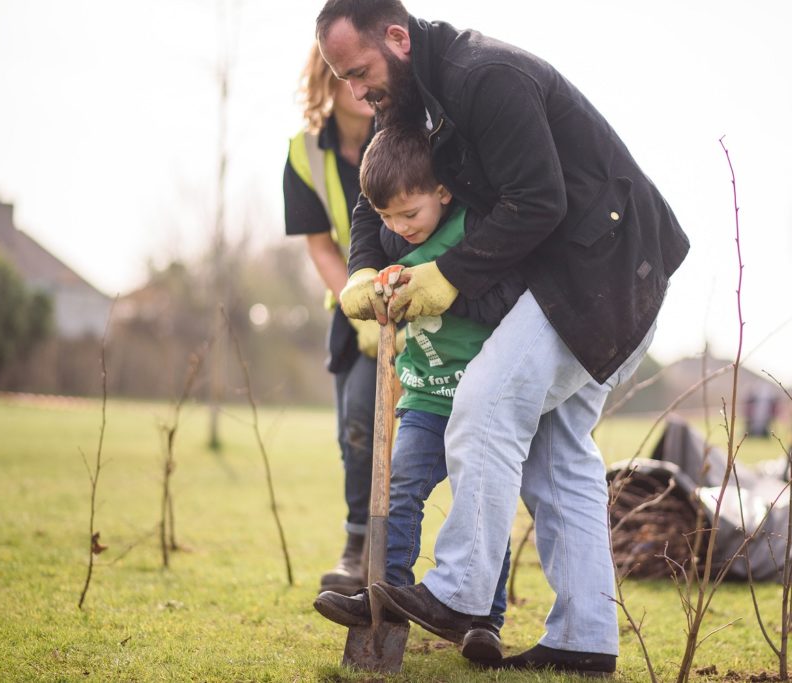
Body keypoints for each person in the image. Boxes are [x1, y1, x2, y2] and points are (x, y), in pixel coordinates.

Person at [318, 1, 690, 675]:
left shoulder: (484, 77)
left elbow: (538, 199)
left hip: (607, 272)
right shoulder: (406, 96)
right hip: (580, 275)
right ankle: (585, 638)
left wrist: (445, 277)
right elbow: (374, 195)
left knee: (484, 403)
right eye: (344, 78)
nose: (355, 91)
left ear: (397, 38)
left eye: (359, 71)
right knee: (556, 455)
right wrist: (364, 271)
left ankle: (460, 594)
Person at [312, 125, 524, 663]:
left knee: (481, 509)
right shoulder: (389, 240)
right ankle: (386, 597)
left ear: (443, 192)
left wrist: (441, 295)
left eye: (410, 215)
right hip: (425, 399)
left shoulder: (473, 232)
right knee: (399, 490)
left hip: (480, 401)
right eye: (387, 217)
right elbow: (366, 247)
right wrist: (369, 286)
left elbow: (502, 302)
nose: (400, 228)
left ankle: (485, 620)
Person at [282, 44, 376, 596]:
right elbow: (320, 247)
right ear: (329, 77)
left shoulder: (403, 128)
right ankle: (356, 548)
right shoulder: (303, 154)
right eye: (351, 73)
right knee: (354, 433)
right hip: (351, 309)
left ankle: (387, 556)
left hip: (418, 298)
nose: (363, 86)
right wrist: (356, 304)